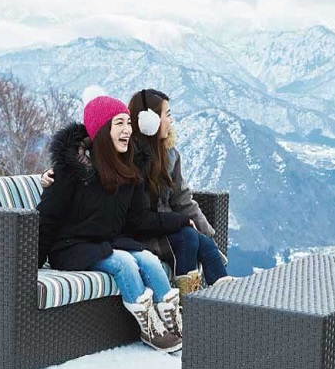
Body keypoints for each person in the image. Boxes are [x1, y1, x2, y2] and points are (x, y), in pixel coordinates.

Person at [37, 96, 189, 352]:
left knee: (149, 260)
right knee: (124, 262)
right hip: (71, 247)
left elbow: (138, 219)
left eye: (128, 123)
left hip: (106, 242)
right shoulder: (72, 171)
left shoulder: (129, 171)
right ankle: (149, 327)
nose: (127, 130)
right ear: (102, 130)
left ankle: (174, 321)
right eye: (119, 123)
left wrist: (180, 220)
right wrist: (32, 263)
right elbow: (47, 217)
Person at [127, 88, 232, 305]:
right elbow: (139, 217)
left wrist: (208, 234)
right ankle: (185, 304)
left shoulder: (170, 155)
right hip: (142, 233)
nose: (170, 120)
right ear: (149, 121)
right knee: (187, 237)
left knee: (205, 244)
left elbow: (183, 199)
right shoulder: (131, 158)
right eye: (167, 114)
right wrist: (182, 222)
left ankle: (224, 300)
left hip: (167, 227)